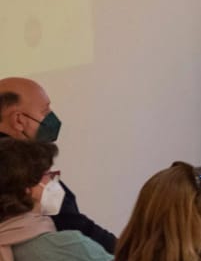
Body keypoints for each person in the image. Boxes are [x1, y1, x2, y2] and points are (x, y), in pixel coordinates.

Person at [0, 77, 118, 251]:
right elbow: (69, 223)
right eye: (45, 110)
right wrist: (124, 250)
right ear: (19, 120)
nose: (51, 117)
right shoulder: (24, 168)